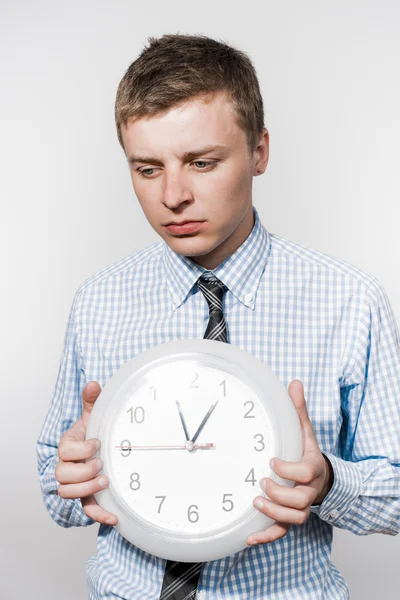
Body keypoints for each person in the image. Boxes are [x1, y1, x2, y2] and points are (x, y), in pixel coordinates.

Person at [37, 33, 400, 600]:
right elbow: (51, 483)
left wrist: (327, 480)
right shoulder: (98, 301)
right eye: (147, 168)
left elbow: (396, 497)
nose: (173, 196)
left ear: (259, 151)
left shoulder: (349, 301)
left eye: (201, 163)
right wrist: (71, 477)